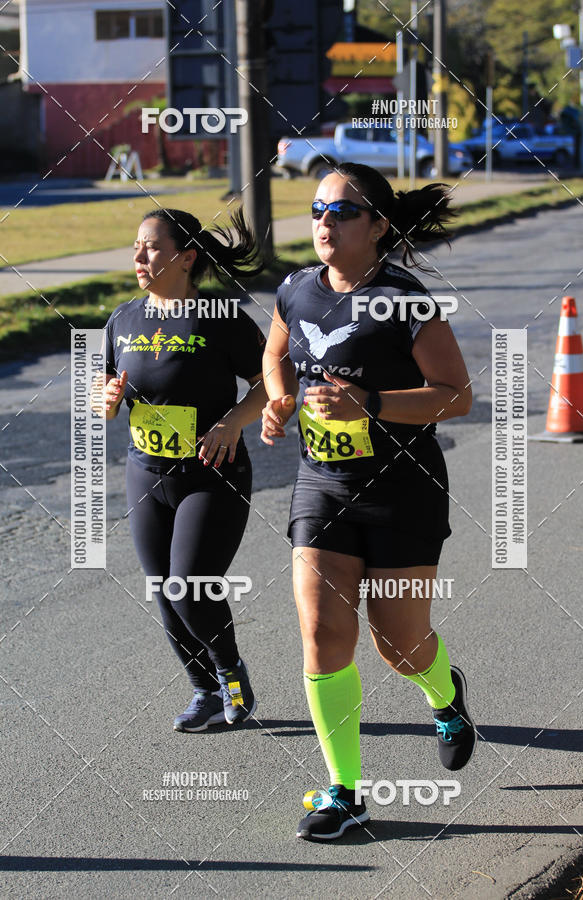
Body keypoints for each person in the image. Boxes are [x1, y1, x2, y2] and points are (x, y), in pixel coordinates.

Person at [261, 163, 476, 841]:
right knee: (324, 637)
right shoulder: (296, 289)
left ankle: (444, 695)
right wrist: (279, 398)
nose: (324, 221)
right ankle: (344, 791)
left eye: (342, 211)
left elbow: (457, 395)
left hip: (403, 490)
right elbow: (278, 354)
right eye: (318, 208)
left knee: (401, 647)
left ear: (380, 226)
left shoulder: (405, 300)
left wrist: (371, 402)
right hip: (323, 485)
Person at [94, 207, 267, 731]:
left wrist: (233, 422)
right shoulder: (122, 319)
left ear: (187, 257)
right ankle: (203, 692)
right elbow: (101, 386)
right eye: (136, 246)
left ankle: (231, 678)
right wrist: (103, 398)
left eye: (151, 246)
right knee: (163, 593)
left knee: (190, 585)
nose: (139, 256)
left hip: (212, 472)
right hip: (146, 473)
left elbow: (272, 382)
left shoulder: (221, 317)